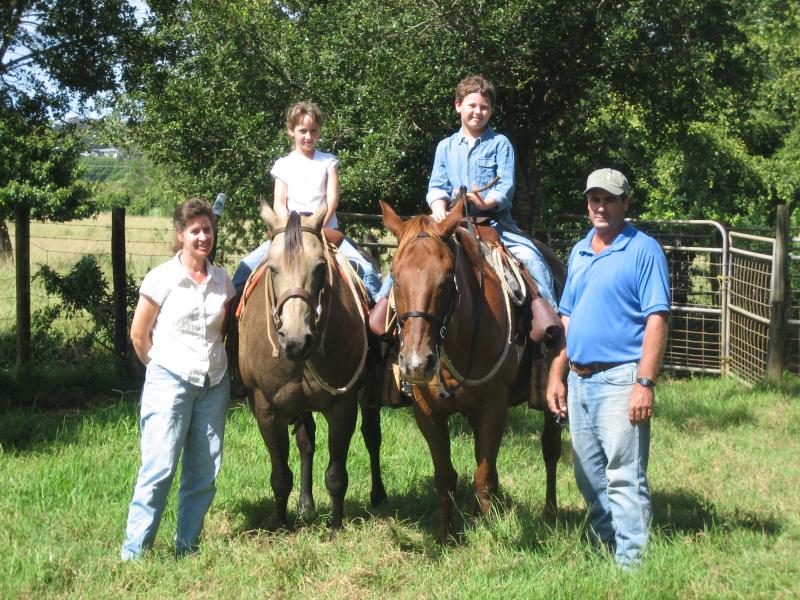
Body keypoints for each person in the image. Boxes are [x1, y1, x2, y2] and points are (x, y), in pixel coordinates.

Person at [546, 168, 670, 568]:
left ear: (625, 204)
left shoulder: (643, 250)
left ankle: (631, 566)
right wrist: (556, 372)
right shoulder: (581, 250)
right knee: (588, 476)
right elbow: (567, 317)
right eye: (594, 199)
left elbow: (657, 318)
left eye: (610, 199)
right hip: (579, 380)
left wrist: (644, 382)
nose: (601, 206)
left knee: (624, 475)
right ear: (587, 204)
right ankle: (606, 546)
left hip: (621, 377)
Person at [374, 75, 557, 309]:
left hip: (494, 223)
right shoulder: (446, 146)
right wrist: (439, 207)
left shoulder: (501, 144)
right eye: (472, 105)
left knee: (533, 259)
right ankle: (381, 312)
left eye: (484, 107)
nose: (477, 112)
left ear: (491, 111)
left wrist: (482, 203)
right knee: (406, 257)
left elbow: (505, 189)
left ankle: (552, 322)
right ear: (458, 105)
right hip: (451, 222)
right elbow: (437, 186)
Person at [121, 198, 235, 560]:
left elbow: (224, 332)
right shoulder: (162, 277)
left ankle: (187, 547)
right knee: (159, 468)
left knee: (204, 473)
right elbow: (139, 335)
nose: (204, 237)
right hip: (170, 382)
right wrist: (159, 369)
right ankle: (135, 552)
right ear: (180, 234)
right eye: (195, 230)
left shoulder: (222, 281)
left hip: (214, 384)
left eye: (208, 230)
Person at [232, 101, 382, 302]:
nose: (308, 136)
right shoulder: (283, 165)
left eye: (313, 130)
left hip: (326, 232)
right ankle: (232, 326)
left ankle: (378, 328)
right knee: (244, 270)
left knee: (367, 270)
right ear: (290, 131)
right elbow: (279, 202)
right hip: (290, 233)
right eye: (303, 131)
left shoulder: (328, 161)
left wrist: (316, 226)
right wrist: (290, 230)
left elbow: (332, 199)